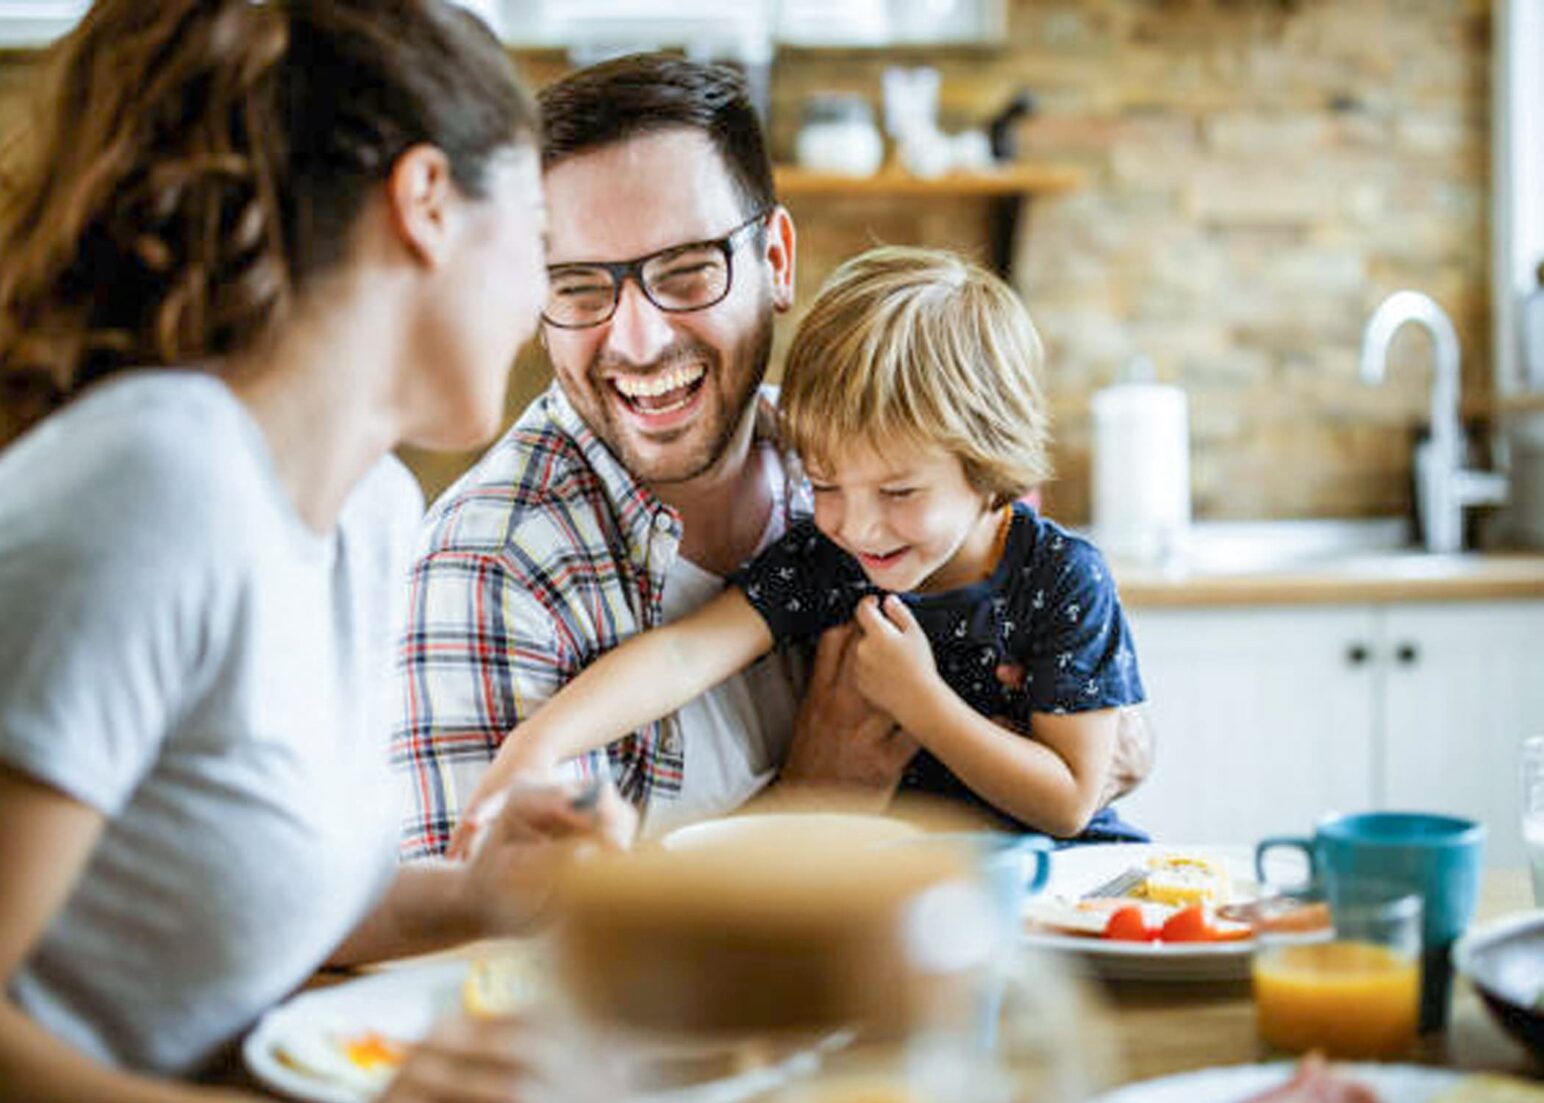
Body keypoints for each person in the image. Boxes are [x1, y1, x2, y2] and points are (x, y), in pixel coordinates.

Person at [0, 3, 632, 1102]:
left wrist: (479, 894)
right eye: (536, 238)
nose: (540, 304)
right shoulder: (157, 484)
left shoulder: (371, 514)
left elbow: (222, 901)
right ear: (427, 201)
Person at [396, 52, 1153, 855]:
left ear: (777, 262)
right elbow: (504, 952)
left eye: (688, 272)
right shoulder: (493, 565)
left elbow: (1086, 776)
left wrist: (1069, 730)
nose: (640, 338)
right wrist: (816, 801)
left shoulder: (840, 461)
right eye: (579, 285)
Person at [451, 246, 1148, 847]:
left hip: (1061, 886)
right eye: (826, 484)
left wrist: (921, 700)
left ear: (991, 464)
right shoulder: (827, 559)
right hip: (898, 893)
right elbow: (685, 652)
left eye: (900, 493)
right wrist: (536, 744)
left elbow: (1069, 801)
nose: (859, 525)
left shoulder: (1059, 577)